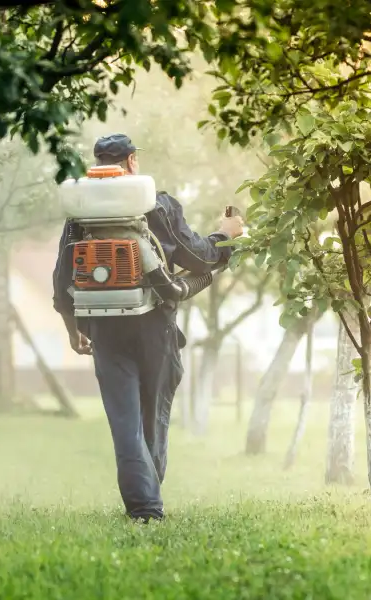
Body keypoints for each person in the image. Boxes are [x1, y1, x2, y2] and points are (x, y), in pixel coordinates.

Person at [51, 133, 245, 523]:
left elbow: (62, 281)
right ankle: (149, 502)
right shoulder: (156, 204)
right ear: (131, 162)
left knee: (125, 423)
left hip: (104, 327)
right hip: (155, 323)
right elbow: (198, 257)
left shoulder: (80, 216)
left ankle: (143, 508)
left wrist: (73, 330)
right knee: (153, 416)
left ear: (98, 165)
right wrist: (226, 234)